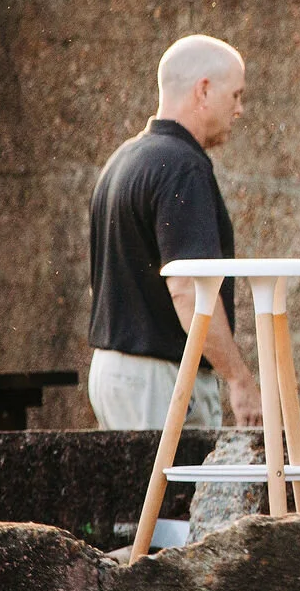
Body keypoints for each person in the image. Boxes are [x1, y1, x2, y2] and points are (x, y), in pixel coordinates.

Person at [86, 35, 262, 429]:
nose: (239, 109)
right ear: (203, 90)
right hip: (160, 382)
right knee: (168, 494)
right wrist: (238, 378)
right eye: (234, 96)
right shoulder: (184, 167)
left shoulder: (125, 159)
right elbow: (188, 289)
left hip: (115, 372)